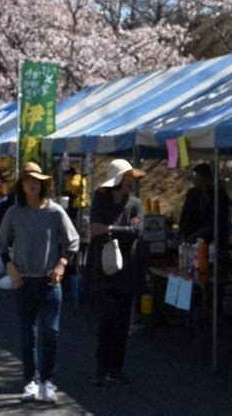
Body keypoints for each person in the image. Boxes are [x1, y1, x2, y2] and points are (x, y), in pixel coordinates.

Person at [0, 161, 79, 404]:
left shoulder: (54, 212)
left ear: (43, 184)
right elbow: (1, 243)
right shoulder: (14, 212)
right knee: (27, 334)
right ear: (21, 184)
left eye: (36, 180)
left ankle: (48, 381)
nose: (31, 184)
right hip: (23, 281)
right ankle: (31, 380)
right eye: (27, 180)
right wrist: (9, 266)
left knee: (51, 332)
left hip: (49, 282)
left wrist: (63, 262)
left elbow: (72, 241)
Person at [84, 158, 145, 386]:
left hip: (127, 269)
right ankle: (102, 370)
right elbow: (95, 229)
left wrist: (110, 229)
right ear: (118, 179)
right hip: (103, 268)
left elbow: (137, 230)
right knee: (106, 320)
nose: (131, 182)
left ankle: (116, 368)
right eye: (127, 177)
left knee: (122, 322)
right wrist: (121, 230)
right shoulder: (100, 199)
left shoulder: (135, 203)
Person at [182, 162, 231, 270]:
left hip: (213, 242)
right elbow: (186, 214)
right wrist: (184, 233)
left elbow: (218, 221)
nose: (196, 182)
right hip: (192, 241)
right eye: (195, 179)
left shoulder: (219, 195)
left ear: (208, 179)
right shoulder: (193, 193)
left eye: (199, 179)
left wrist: (200, 234)